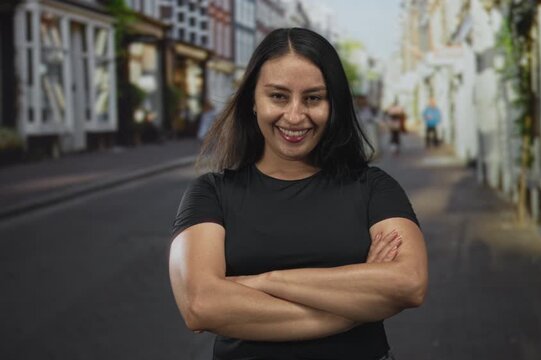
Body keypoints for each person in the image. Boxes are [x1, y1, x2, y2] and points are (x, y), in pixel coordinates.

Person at [169, 28, 428, 360]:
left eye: (313, 98)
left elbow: (409, 283)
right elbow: (201, 304)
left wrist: (261, 282)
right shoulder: (211, 194)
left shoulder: (373, 187)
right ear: (252, 99)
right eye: (278, 96)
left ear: (332, 104)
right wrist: (359, 302)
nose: (294, 116)